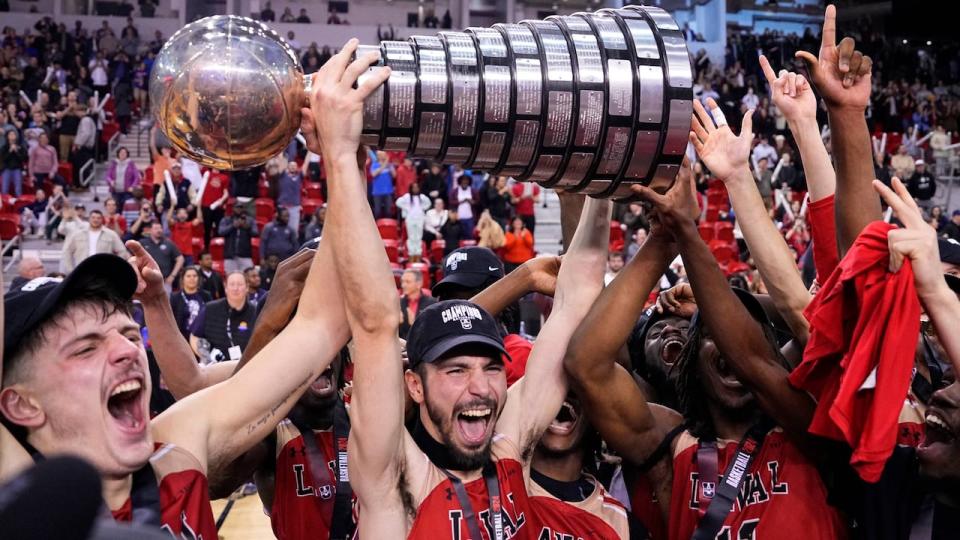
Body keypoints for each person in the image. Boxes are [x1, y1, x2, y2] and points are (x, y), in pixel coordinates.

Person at [301, 42, 609, 538]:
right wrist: (342, 162)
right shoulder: (397, 484)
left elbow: (577, 298)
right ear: (415, 385)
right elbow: (376, 326)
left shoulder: (510, 453)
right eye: (456, 369)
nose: (481, 386)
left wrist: (604, 172)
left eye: (490, 366)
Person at [0, 218, 352, 537]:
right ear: (21, 403)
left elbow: (315, 334)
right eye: (85, 349)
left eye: (130, 335)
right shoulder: (17, 501)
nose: (127, 351)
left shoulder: (174, 449)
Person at [189, 271, 256, 362]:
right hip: (216, 367)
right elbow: (194, 337)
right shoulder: (210, 309)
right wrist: (207, 357)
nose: (235, 288)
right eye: (232, 284)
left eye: (240, 284)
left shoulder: (256, 312)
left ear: (247, 288)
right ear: (226, 288)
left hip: (247, 366)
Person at [61, 209, 129, 272]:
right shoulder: (78, 234)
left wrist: (113, 267)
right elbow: (67, 251)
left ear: (102, 219)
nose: (95, 220)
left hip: (103, 271)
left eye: (98, 218)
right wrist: (71, 270)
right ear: (89, 219)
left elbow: (122, 251)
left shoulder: (111, 234)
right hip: (81, 270)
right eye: (93, 217)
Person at [139, 221, 184, 291]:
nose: (159, 230)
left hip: (165, 281)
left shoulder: (168, 243)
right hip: (146, 281)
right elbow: (132, 256)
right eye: (156, 228)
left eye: (160, 228)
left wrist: (172, 276)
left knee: (166, 301)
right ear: (150, 230)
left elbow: (180, 258)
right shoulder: (142, 243)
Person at [170, 266, 211, 338]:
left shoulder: (206, 295)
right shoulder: (175, 297)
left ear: (199, 278)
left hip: (203, 338)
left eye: (195, 276)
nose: (192, 278)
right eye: (188, 276)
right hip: (181, 338)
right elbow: (171, 319)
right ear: (183, 279)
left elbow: (211, 316)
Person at [396, 181, 431, 262]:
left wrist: (422, 208)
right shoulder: (407, 196)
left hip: (420, 218)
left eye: (417, 187)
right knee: (411, 237)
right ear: (411, 189)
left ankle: (418, 255)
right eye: (413, 188)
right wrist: (406, 208)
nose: (415, 189)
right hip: (410, 219)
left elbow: (428, 203)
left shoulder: (422, 197)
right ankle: (411, 255)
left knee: (418, 237)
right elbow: (398, 202)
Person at [219, 204, 259, 274]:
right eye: (237, 207)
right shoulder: (227, 220)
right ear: (233, 208)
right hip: (230, 255)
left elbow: (256, 233)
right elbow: (221, 232)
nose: (239, 209)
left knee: (248, 277)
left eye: (241, 207)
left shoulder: (249, 220)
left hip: (245, 255)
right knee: (230, 277)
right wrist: (233, 226)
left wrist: (247, 227)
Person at [399, 268, 437, 338]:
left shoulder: (432, 304)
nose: (403, 285)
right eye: (402, 281)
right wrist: (397, 324)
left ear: (419, 284)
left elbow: (434, 330)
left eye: (407, 282)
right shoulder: (398, 303)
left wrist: (414, 324)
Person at [198, 167, 230, 249]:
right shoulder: (206, 172)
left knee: (219, 229)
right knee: (207, 229)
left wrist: (222, 201)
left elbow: (225, 192)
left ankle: (218, 249)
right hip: (206, 205)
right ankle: (206, 248)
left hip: (218, 207)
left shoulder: (225, 177)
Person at [277, 161, 303, 235]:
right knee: (281, 229)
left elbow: (305, 165)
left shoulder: (299, 176)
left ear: (297, 167)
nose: (293, 166)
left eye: (295, 165)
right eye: (291, 165)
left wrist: (309, 153)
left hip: (295, 207)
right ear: (287, 167)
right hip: (283, 206)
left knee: (294, 231)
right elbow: (281, 164)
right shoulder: (283, 175)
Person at [369, 151, 394, 219]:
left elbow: (394, 175)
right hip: (377, 192)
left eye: (384, 155)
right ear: (378, 156)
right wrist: (384, 164)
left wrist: (389, 166)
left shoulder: (389, 165)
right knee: (377, 211)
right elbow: (373, 174)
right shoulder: (374, 164)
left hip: (388, 191)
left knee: (388, 211)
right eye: (381, 155)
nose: (384, 156)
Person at [1, 129, 26, 197]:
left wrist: (16, 151)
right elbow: (3, 159)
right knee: (4, 189)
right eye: (10, 134)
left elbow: (23, 159)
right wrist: (10, 151)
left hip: (17, 169)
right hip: (6, 169)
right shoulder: (4, 147)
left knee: (18, 190)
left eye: (13, 134)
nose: (12, 136)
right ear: (7, 136)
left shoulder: (20, 147)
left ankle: (18, 204)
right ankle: (4, 205)